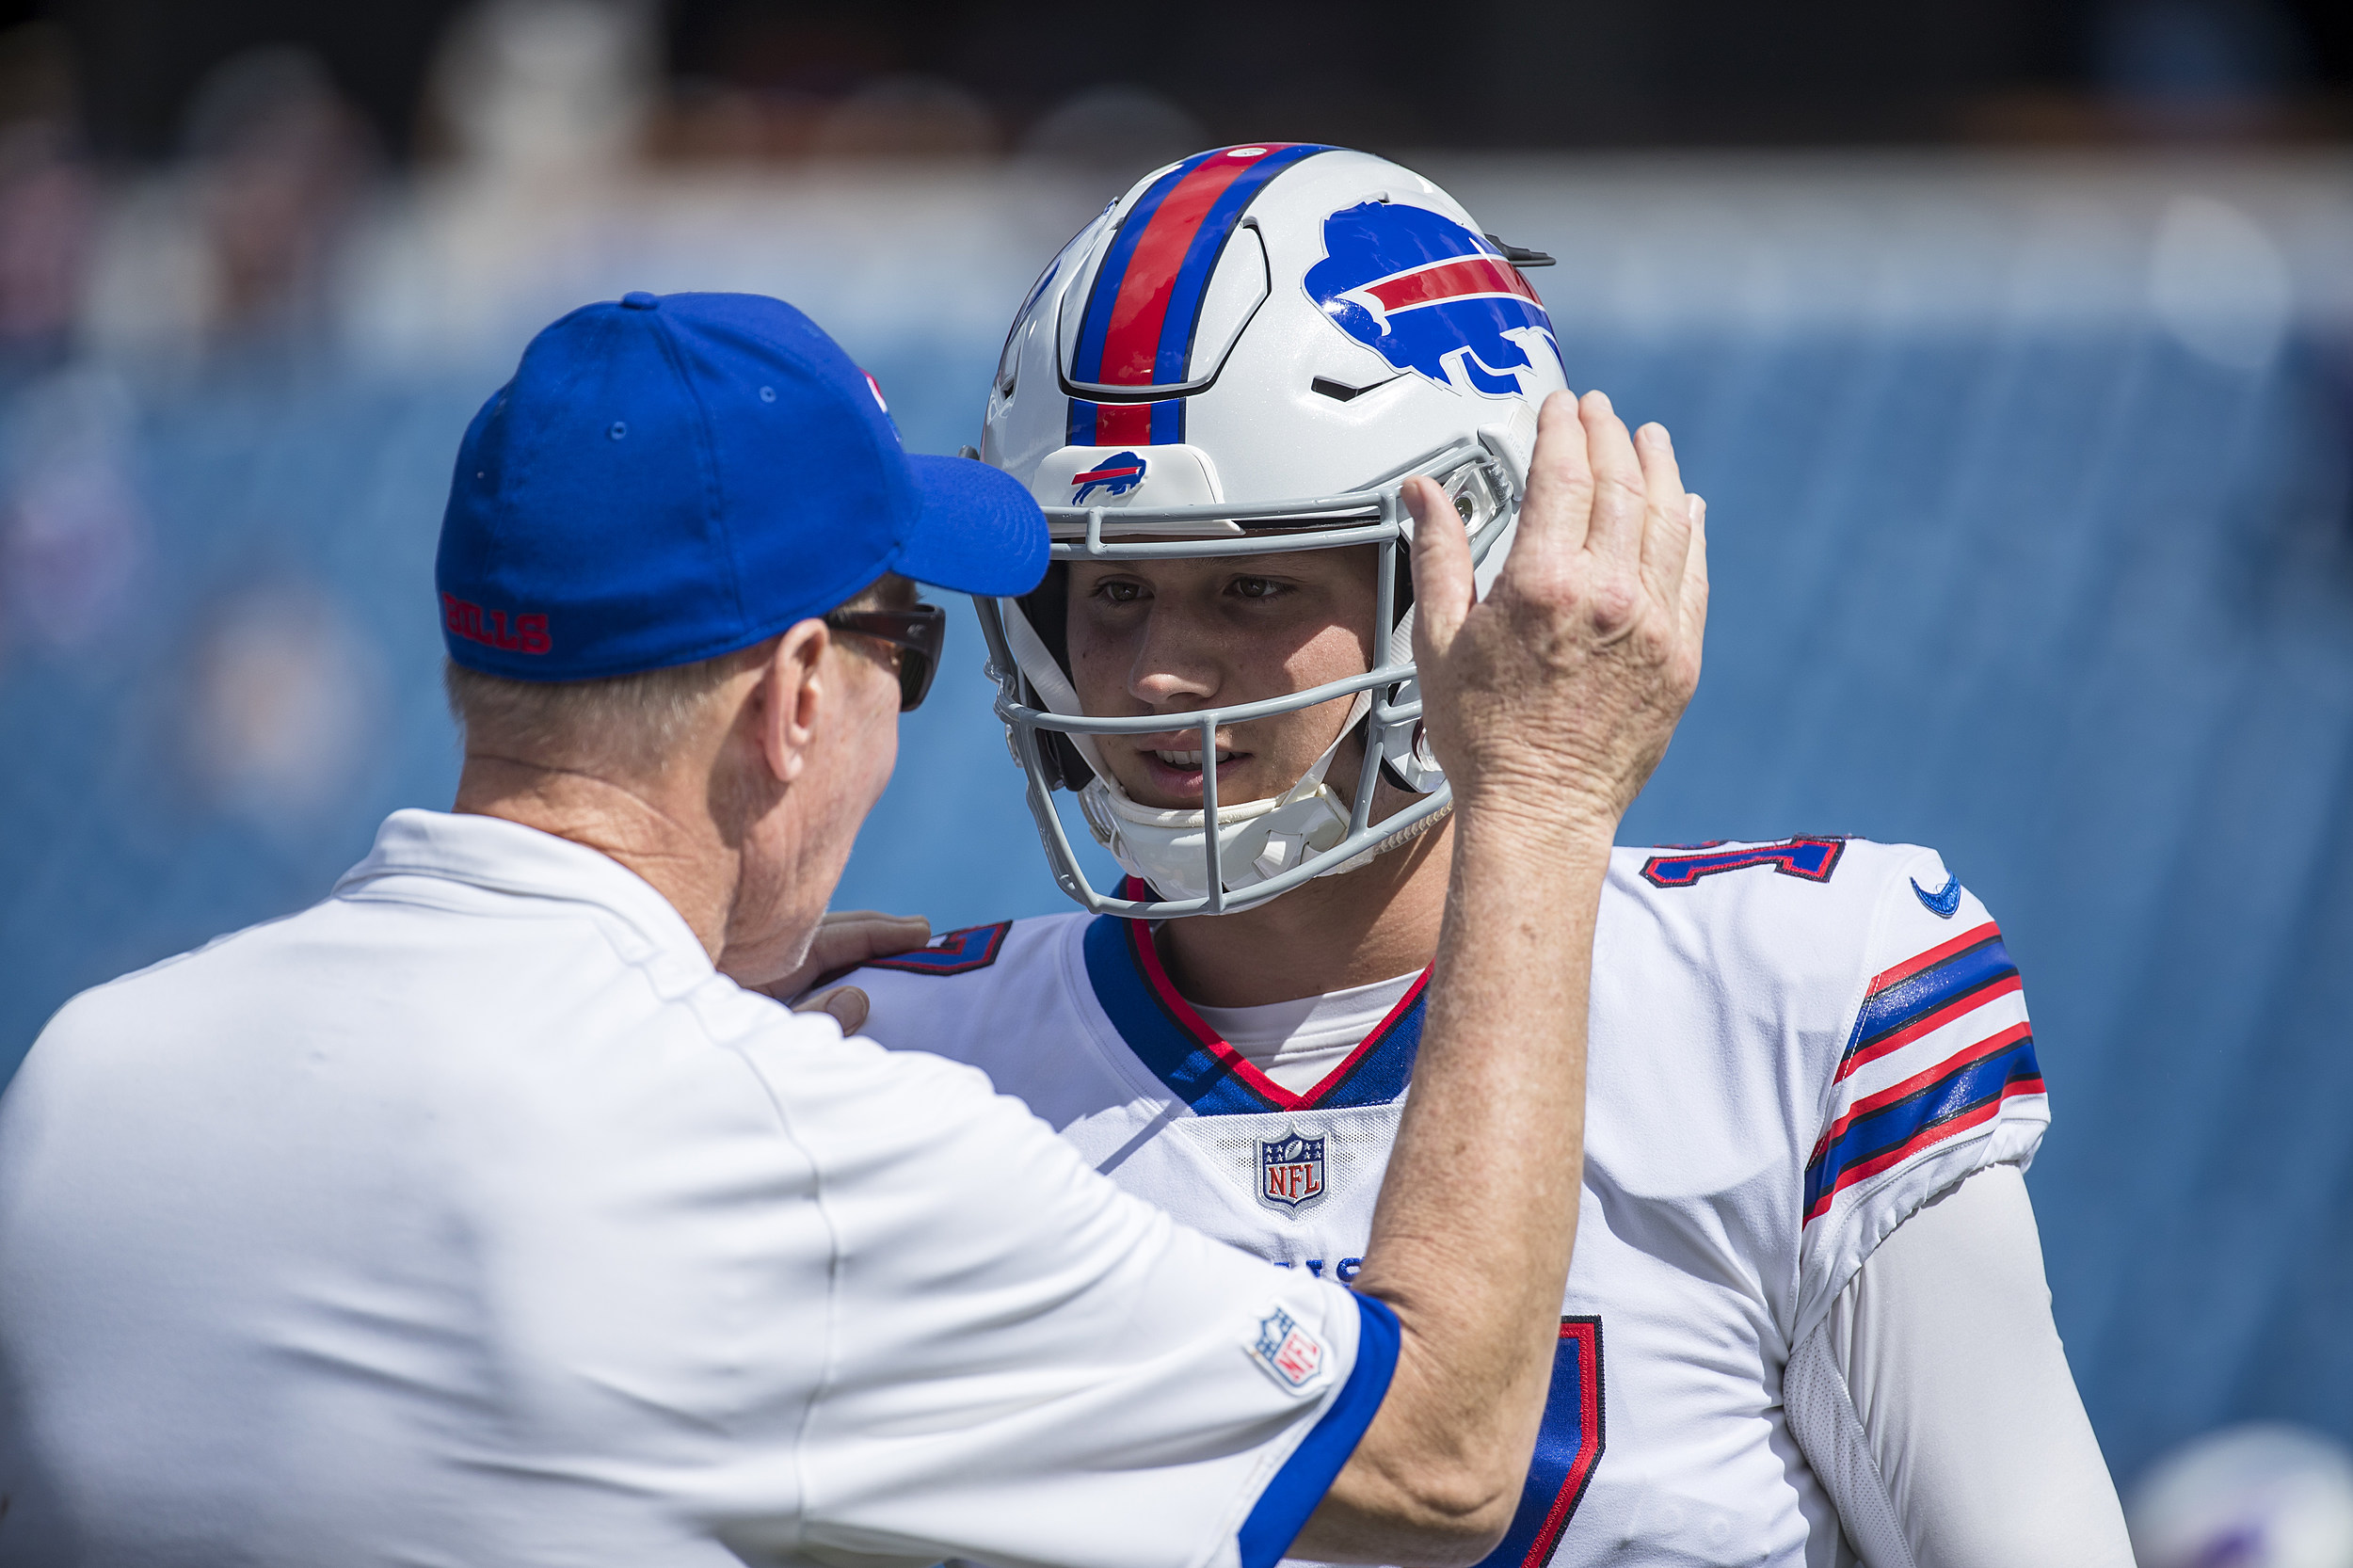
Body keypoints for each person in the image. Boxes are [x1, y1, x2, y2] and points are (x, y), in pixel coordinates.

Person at [0, 288, 1705, 1566]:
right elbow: (1440, 1454)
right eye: (912, 643)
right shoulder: (798, 1150)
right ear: (798, 694)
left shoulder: (89, 1079)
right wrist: (1542, 804)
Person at [842, 145, 2137, 1568]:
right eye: (1116, 587)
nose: (1157, 673)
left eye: (1256, 582)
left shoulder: (1796, 998)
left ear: (1475, 563)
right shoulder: (897, 1063)